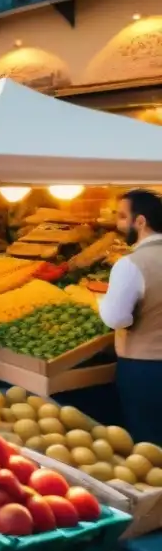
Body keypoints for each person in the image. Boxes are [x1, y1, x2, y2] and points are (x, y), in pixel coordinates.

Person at [99, 189, 162, 445]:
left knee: (148, 444)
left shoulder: (131, 264)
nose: (118, 224)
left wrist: (100, 302)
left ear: (141, 222)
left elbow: (116, 318)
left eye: (123, 216)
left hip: (145, 368)